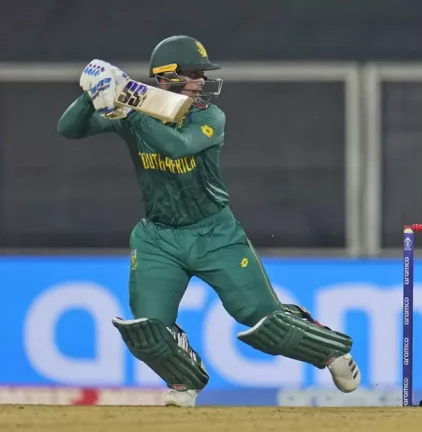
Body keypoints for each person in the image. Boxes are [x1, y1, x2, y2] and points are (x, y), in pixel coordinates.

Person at [57, 35, 360, 407]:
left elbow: (177, 146)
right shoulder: (131, 115)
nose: (200, 82)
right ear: (165, 77)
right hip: (158, 238)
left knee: (264, 320)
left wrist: (129, 110)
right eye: (193, 74)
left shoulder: (208, 116)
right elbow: (69, 129)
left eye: (202, 74)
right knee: (148, 328)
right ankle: (184, 381)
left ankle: (330, 352)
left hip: (216, 234)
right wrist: (92, 93)